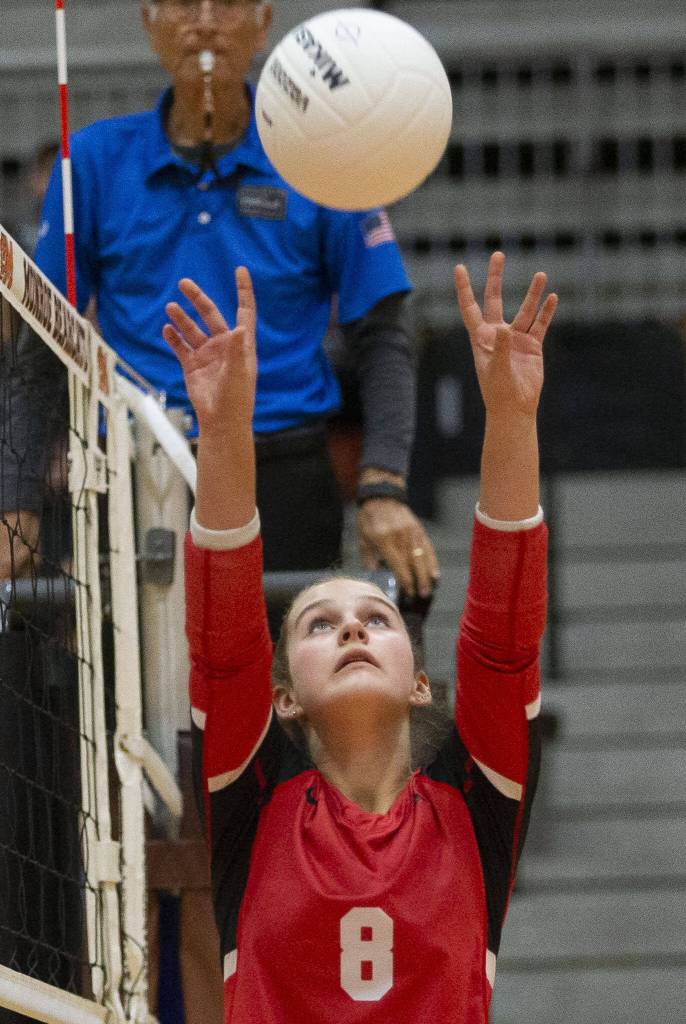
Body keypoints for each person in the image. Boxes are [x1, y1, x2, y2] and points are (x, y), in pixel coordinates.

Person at [166, 251, 557, 1022]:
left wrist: (511, 417)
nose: (352, 624)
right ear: (283, 699)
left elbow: (503, 641)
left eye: (376, 618)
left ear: (420, 681)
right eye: (320, 623)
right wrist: (223, 432)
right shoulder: (254, 797)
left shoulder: (473, 802)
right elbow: (227, 640)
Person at [1, 0, 438, 602]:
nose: (204, 20)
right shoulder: (92, 162)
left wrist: (383, 487)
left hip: (284, 474)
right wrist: (15, 500)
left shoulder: (322, 152)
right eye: (182, 3)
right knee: (125, 690)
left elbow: (386, 335)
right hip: (131, 477)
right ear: (149, 24)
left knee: (283, 684)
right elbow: (41, 347)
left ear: (263, 27)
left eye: (227, 4)